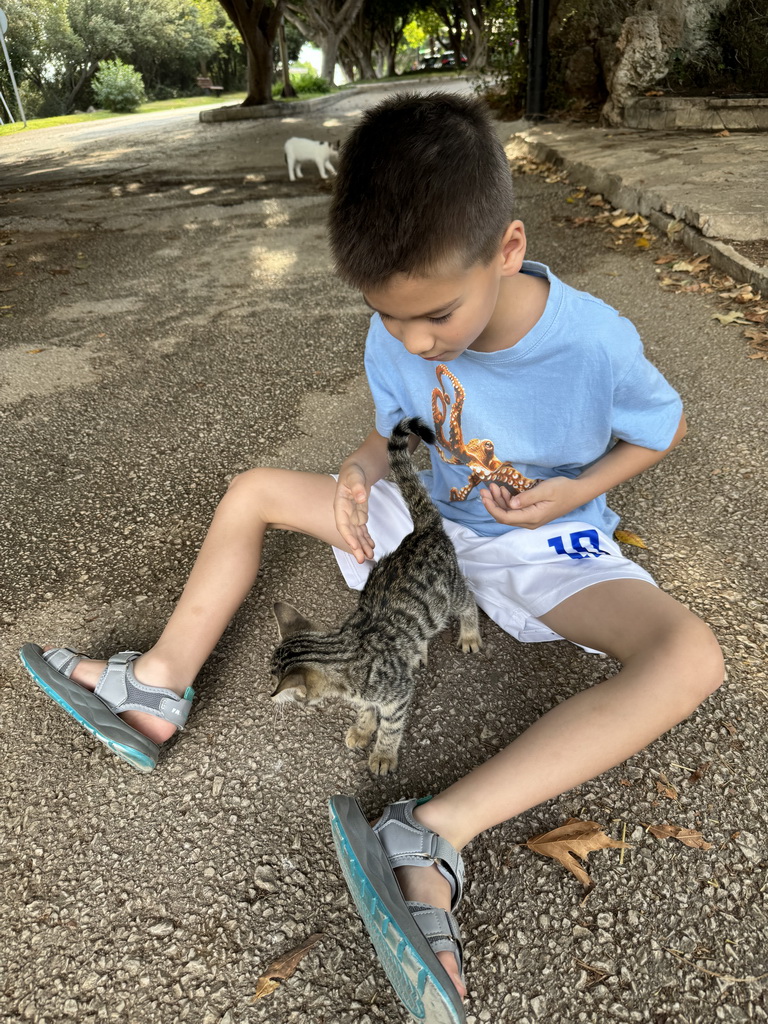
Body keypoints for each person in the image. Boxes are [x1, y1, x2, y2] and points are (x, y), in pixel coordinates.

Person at [20, 93, 723, 1023]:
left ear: (507, 249)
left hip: (543, 540)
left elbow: (658, 428)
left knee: (691, 657)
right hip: (425, 519)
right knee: (251, 491)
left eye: (434, 315)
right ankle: (156, 685)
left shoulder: (593, 342)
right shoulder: (400, 329)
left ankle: (429, 836)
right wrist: (356, 475)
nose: (413, 341)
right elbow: (394, 426)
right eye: (389, 319)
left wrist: (574, 489)